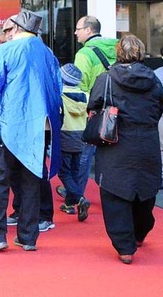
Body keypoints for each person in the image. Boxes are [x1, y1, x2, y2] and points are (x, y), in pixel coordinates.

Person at [0, 10, 62, 252]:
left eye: (8, 30)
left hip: (10, 123)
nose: (6, 34)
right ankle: (28, 237)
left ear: (16, 29)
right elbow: (58, 85)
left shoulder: (6, 50)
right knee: (32, 179)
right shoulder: (47, 52)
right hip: (41, 123)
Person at [89, 35, 163, 265]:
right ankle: (140, 232)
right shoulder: (154, 79)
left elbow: (93, 105)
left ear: (118, 53)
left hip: (116, 142)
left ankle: (124, 247)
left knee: (114, 193)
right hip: (147, 141)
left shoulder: (107, 78)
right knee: (146, 189)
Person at [73, 16, 119, 201]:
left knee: (85, 155)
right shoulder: (116, 48)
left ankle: (76, 194)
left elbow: (79, 85)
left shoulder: (84, 54)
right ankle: (114, 193)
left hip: (93, 112)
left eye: (78, 29)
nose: (75, 32)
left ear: (89, 30)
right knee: (113, 154)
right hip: (116, 110)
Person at [56, 63, 90, 222]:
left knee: (64, 171)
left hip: (64, 135)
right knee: (75, 171)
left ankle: (79, 198)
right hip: (81, 136)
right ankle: (69, 204)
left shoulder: (59, 95)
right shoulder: (85, 95)